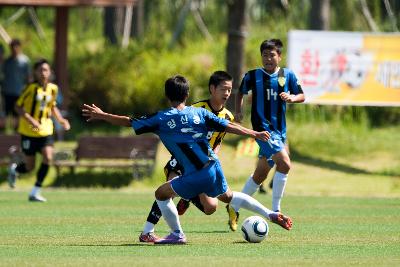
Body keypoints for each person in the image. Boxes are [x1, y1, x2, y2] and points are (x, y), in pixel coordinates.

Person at [82, 75, 292, 245]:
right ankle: (270, 214)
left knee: (161, 194)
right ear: (187, 94)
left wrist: (102, 115)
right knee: (227, 196)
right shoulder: (199, 113)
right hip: (213, 166)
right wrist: (253, 134)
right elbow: (227, 126)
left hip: (195, 173)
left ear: (167, 95)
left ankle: (176, 233)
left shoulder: (162, 119)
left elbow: (129, 122)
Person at [138, 71, 235, 243]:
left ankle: (187, 196)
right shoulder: (197, 108)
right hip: (182, 159)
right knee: (166, 192)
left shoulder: (228, 116)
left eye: (229, 90)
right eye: (223, 89)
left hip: (203, 163)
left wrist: (214, 153)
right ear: (212, 89)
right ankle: (148, 230)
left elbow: (219, 140)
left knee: (211, 207)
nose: (226, 93)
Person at [228, 38, 305, 231]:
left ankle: (234, 206)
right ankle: (276, 210)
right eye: (264, 55)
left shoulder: (288, 75)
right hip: (263, 130)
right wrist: (239, 111)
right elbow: (240, 92)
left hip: (280, 132)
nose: (268, 58)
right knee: (285, 163)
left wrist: (292, 97)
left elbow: (302, 95)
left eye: (272, 55)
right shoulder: (253, 76)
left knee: (260, 175)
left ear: (279, 56)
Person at [7, 58, 70, 202]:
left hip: (46, 129)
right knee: (30, 167)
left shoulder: (53, 89)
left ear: (50, 72)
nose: (43, 72)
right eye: (40, 70)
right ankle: (15, 170)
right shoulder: (30, 89)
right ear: (35, 72)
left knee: (48, 157)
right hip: (28, 131)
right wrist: (31, 120)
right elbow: (18, 107)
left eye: (46, 70)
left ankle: (35, 191)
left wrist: (61, 120)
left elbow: (52, 106)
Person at [1, 39, 31, 130]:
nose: (14, 49)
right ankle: (8, 134)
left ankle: (17, 134)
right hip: (7, 91)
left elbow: (28, 77)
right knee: (7, 113)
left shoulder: (25, 61)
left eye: (15, 47)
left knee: (18, 113)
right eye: (12, 47)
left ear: (19, 47)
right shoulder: (7, 62)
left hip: (19, 92)